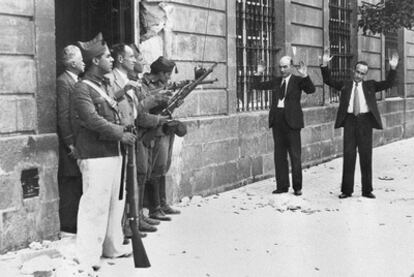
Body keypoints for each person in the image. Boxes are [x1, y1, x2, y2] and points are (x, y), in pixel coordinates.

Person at [73, 33, 135, 272]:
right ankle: (87, 257)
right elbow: (92, 120)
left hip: (113, 152)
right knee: (94, 206)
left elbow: (110, 108)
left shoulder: (101, 86)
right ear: (95, 61)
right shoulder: (81, 89)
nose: (112, 60)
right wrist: (121, 133)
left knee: (114, 203)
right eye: (108, 57)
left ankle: (112, 246)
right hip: (95, 155)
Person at [106, 43, 167, 239]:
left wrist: (157, 97)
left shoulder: (129, 80)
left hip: (132, 134)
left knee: (137, 177)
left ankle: (135, 218)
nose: (136, 60)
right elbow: (117, 108)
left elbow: (135, 108)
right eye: (132, 57)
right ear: (121, 59)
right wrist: (153, 101)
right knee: (125, 182)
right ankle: (125, 224)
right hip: (123, 135)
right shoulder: (112, 80)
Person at [320, 49, 399, 199]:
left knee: (366, 156)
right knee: (349, 155)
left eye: (362, 73)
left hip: (365, 122)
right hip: (349, 121)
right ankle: (347, 190)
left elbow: (388, 83)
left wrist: (393, 68)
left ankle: (367, 190)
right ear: (353, 71)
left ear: (365, 75)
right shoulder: (346, 84)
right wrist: (324, 65)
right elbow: (328, 81)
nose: (359, 75)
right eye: (357, 72)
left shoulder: (370, 86)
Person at [252, 56, 315, 196]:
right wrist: (258, 73)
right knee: (279, 156)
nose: (282, 69)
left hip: (292, 123)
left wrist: (305, 75)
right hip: (278, 121)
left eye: (285, 67)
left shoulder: (298, 81)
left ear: (291, 67)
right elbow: (257, 86)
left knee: (295, 156)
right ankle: (282, 186)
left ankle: (297, 187)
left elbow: (311, 90)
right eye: (280, 67)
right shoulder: (276, 81)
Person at [141, 56, 183, 221]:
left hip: (165, 128)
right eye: (166, 74)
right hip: (153, 129)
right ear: (159, 73)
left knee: (163, 166)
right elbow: (145, 105)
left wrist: (175, 102)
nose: (168, 78)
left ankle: (163, 203)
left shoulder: (162, 85)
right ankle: (154, 207)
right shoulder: (145, 84)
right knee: (155, 168)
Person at [56, 45, 85, 234]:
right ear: (72, 63)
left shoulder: (74, 80)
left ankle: (75, 221)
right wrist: (70, 143)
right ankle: (69, 223)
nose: (84, 62)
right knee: (71, 180)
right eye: (81, 59)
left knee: (77, 180)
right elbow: (63, 115)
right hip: (71, 143)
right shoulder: (63, 82)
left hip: (78, 140)